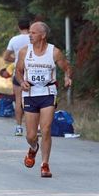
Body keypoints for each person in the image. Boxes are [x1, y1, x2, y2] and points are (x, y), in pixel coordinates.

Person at [15, 21, 72, 178]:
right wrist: (21, 82)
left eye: (33, 33)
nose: (30, 35)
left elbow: (66, 67)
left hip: (48, 92)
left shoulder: (54, 52)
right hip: (30, 93)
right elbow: (18, 72)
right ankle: (33, 148)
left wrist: (67, 77)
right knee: (31, 135)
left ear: (43, 35)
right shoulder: (24, 52)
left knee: (46, 129)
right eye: (30, 32)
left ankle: (45, 164)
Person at [3, 18, 31, 136]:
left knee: (19, 100)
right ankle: (37, 127)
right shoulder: (33, 38)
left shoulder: (14, 40)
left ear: (18, 27)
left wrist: (17, 60)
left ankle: (19, 127)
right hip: (32, 71)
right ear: (30, 27)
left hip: (18, 72)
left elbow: (6, 56)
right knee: (33, 100)